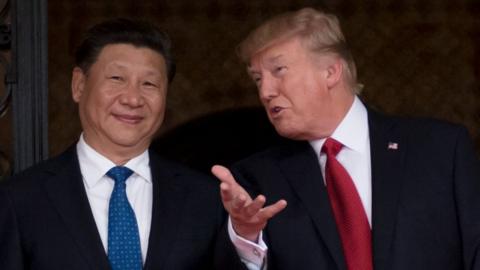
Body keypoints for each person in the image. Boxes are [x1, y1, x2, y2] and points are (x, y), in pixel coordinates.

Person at [212, 7, 480, 270]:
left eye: (279, 70)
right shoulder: (255, 181)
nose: (265, 91)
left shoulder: (441, 149)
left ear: (330, 71)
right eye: (257, 79)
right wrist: (245, 236)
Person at [0, 18, 253, 270]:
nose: (133, 99)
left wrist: (246, 241)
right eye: (117, 78)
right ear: (79, 85)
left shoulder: (206, 200)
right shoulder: (19, 200)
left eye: (149, 84)